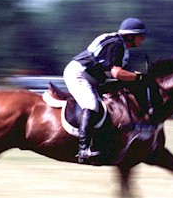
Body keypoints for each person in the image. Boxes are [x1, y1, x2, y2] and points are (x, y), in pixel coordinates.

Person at [63, 17, 148, 163]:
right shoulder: (117, 45)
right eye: (141, 36)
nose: (143, 39)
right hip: (79, 74)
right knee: (91, 104)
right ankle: (83, 149)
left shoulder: (119, 44)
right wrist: (140, 77)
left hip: (91, 76)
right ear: (131, 36)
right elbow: (117, 73)